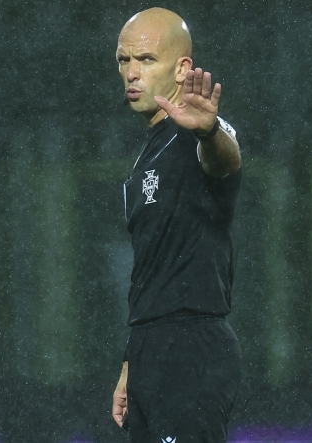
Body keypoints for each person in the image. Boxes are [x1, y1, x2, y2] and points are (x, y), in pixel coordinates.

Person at [111, 7, 243, 443]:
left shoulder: (196, 132)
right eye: (124, 60)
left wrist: (208, 133)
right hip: (153, 345)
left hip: (190, 346)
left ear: (182, 67)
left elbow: (225, 161)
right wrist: (134, 359)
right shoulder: (148, 150)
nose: (132, 72)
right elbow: (151, 267)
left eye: (146, 60)